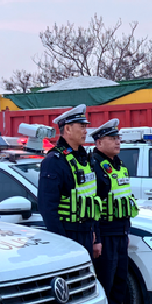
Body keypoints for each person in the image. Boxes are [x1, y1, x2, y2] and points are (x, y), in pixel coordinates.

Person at [90, 119, 138, 304]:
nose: (118, 142)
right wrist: (96, 237)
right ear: (99, 142)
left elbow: (125, 201)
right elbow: (93, 206)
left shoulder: (118, 165)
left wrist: (126, 231)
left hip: (120, 232)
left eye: (118, 138)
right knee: (105, 284)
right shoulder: (94, 165)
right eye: (112, 138)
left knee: (119, 283)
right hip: (106, 233)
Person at [38, 103, 100, 257]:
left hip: (86, 232)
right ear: (67, 129)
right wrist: (61, 241)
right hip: (68, 234)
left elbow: (91, 199)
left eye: (85, 127)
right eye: (81, 126)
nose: (85, 131)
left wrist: (94, 233)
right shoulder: (54, 161)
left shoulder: (85, 159)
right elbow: (47, 207)